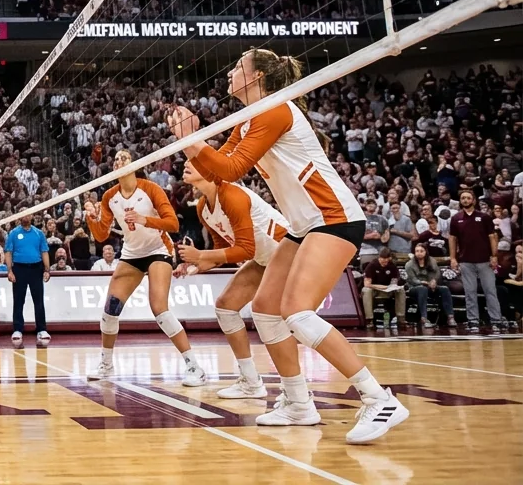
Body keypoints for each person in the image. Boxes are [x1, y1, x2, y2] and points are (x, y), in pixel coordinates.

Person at [169, 48, 407, 444]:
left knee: (296, 313)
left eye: (237, 66)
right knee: (264, 310)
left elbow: (231, 169)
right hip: (303, 226)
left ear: (257, 76)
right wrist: (190, 141)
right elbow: (218, 171)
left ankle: (378, 398)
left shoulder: (275, 109)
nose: (230, 72)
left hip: (334, 218)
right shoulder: (245, 120)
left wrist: (192, 139)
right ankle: (298, 403)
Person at [84, 150, 205, 386]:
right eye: (116, 159)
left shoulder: (150, 189)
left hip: (158, 250)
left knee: (159, 309)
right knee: (110, 311)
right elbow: (101, 236)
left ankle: (194, 366)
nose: (118, 161)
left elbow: (173, 223)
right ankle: (106, 365)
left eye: (124, 158)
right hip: (131, 254)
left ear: (135, 163)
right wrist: (92, 217)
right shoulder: (109, 196)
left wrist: (144, 219)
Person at [176, 160, 291, 399]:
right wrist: (195, 265)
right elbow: (222, 249)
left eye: (194, 161)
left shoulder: (232, 195)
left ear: (211, 169)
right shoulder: (202, 207)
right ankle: (251, 381)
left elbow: (245, 250)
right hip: (264, 259)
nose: (186, 164)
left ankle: (294, 391)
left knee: (274, 318)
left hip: (287, 252)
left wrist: (202, 254)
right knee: (226, 306)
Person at [448, 189, 502, 334]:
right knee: (469, 292)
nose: (465, 200)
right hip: (466, 261)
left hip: (485, 260)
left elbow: (492, 237)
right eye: (463, 198)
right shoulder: (456, 218)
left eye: (468, 198)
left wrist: (494, 255)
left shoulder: (484, 217)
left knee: (490, 291)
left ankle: (496, 320)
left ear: (474, 200)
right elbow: (452, 239)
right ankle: (473, 320)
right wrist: (453, 258)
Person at [5, 217, 51, 347]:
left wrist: (47, 270)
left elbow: (44, 251)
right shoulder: (13, 233)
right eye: (24, 215)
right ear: (19, 218)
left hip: (36, 268)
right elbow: (8, 252)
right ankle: (18, 330)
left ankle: (41, 329)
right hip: (19, 268)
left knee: (39, 300)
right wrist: (9, 271)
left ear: (32, 217)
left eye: (28, 215)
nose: (26, 217)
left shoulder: (39, 233)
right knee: (19, 300)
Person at [404, 242, 453, 330]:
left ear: (426, 252)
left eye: (421, 251)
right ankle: (424, 318)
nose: (419, 253)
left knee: (444, 289)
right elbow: (413, 280)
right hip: (414, 288)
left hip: (430, 287)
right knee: (422, 289)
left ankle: (450, 317)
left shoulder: (432, 261)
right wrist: (425, 283)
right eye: (417, 251)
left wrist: (434, 281)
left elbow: (437, 273)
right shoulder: (409, 265)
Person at [361, 248, 406, 331]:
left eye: (386, 261)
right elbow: (367, 284)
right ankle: (369, 319)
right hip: (374, 290)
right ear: (379, 258)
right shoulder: (372, 265)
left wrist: (393, 286)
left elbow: (394, 281)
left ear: (389, 259)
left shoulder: (392, 266)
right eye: (382, 260)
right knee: (366, 290)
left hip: (387, 290)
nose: (384, 263)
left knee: (401, 291)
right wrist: (380, 286)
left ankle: (401, 318)